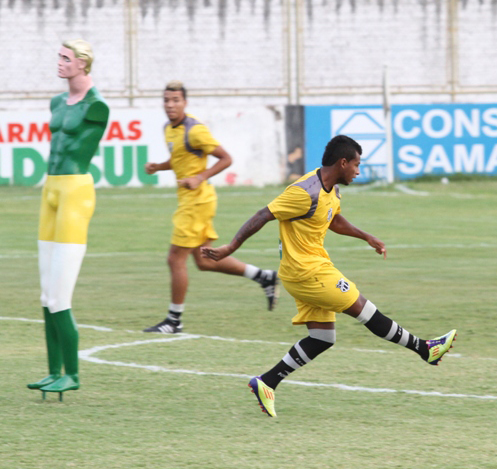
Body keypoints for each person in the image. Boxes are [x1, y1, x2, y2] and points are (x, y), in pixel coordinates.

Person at [202, 135, 457, 417]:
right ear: (343, 162)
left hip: (310, 269)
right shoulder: (303, 191)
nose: (358, 171)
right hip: (307, 273)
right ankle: (425, 349)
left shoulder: (332, 188)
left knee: (322, 338)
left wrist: (365, 236)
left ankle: (267, 381)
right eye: (357, 165)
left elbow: (332, 218)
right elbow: (263, 215)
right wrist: (230, 248)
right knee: (364, 309)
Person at [142, 81, 279, 334]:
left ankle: (174, 320)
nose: (170, 105)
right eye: (166, 100)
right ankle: (264, 276)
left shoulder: (195, 130)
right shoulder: (168, 129)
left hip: (197, 202)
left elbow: (226, 158)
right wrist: (158, 167)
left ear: (185, 103)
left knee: (175, 259)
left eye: (175, 100)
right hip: (191, 201)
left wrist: (200, 177)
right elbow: (179, 159)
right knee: (205, 260)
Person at [28, 40, 110, 396]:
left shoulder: (97, 106)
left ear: (82, 64)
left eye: (66, 58)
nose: (59, 63)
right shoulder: (57, 102)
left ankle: (72, 375)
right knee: (46, 295)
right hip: (51, 190)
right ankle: (52, 371)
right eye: (59, 57)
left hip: (76, 191)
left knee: (60, 296)